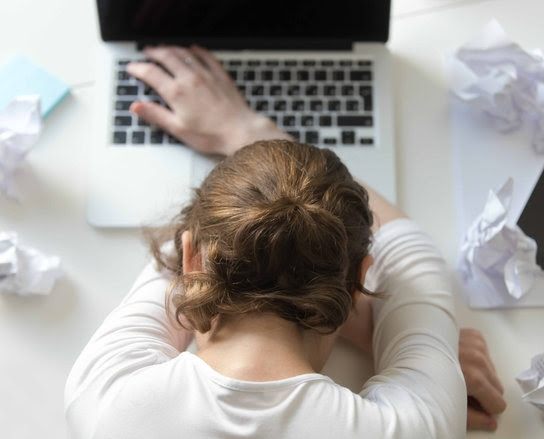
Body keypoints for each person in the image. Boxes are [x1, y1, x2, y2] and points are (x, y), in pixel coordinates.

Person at [65, 46, 506, 438]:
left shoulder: (104, 401)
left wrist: (245, 146)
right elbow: (409, 252)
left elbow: (183, 252)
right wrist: (424, 348)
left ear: (191, 259)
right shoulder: (418, 425)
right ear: (360, 281)